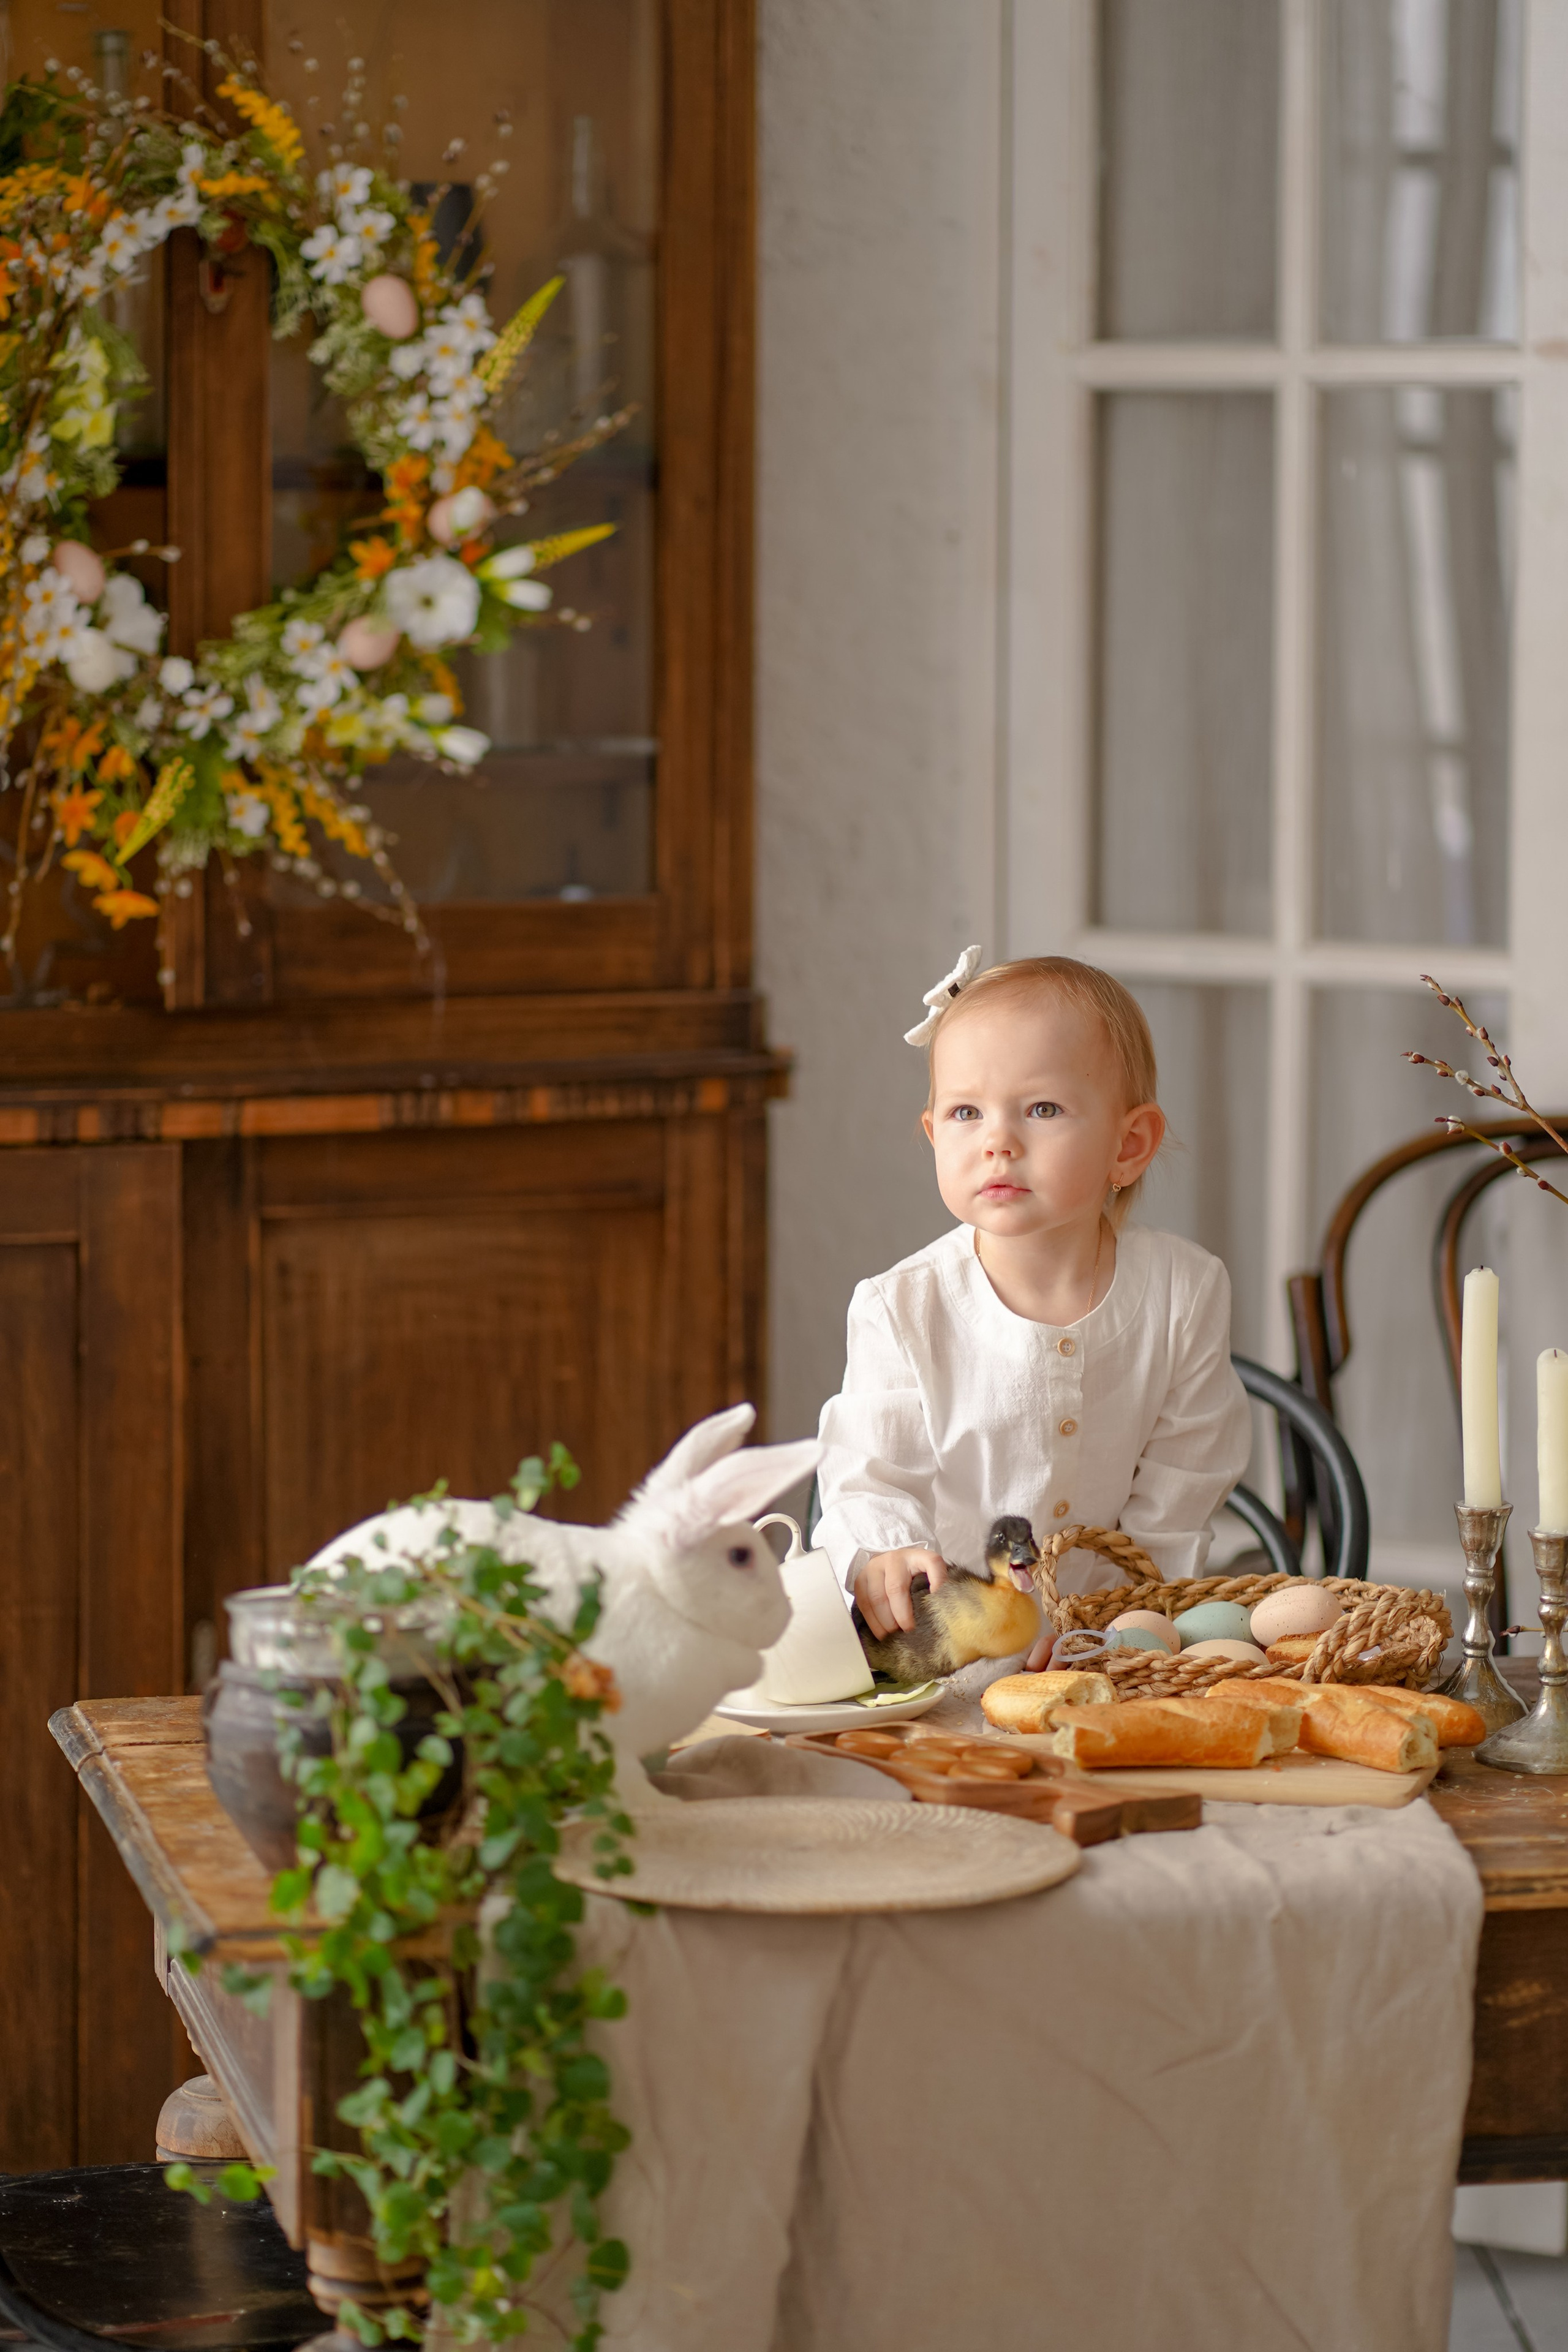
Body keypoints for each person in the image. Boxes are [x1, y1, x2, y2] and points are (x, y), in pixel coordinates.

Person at [814, 950, 1251, 1671]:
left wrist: (1114, 1629)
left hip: (1114, 1658)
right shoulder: (902, 1307)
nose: (997, 1141)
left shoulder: (1184, 1291)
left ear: (1128, 1144)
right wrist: (882, 1552)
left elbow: (1180, 1494)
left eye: (1041, 1109)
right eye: (965, 1112)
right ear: (933, 1134)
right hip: (943, 1662)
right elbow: (869, 1473)